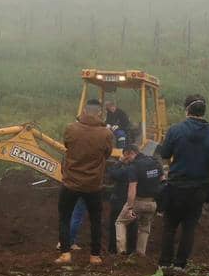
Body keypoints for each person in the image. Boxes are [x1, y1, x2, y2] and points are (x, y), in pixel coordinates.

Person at [156, 94, 209, 269]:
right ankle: (181, 264)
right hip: (199, 189)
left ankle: (165, 263)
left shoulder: (175, 130)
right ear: (204, 111)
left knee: (170, 226)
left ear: (187, 110)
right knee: (189, 227)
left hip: (176, 186)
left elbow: (164, 154)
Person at [55, 98, 114, 265]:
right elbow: (107, 154)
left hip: (70, 183)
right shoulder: (106, 134)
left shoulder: (70, 129)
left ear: (84, 111)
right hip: (93, 185)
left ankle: (65, 253)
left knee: (64, 218)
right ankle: (95, 256)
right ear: (100, 113)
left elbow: (67, 146)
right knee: (95, 220)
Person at [112, 144, 164, 257]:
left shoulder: (134, 167)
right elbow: (162, 181)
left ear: (131, 153)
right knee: (144, 228)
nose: (127, 160)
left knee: (120, 222)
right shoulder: (155, 162)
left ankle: (121, 252)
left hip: (138, 202)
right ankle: (140, 254)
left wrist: (130, 207)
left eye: (126, 157)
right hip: (152, 203)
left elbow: (132, 189)